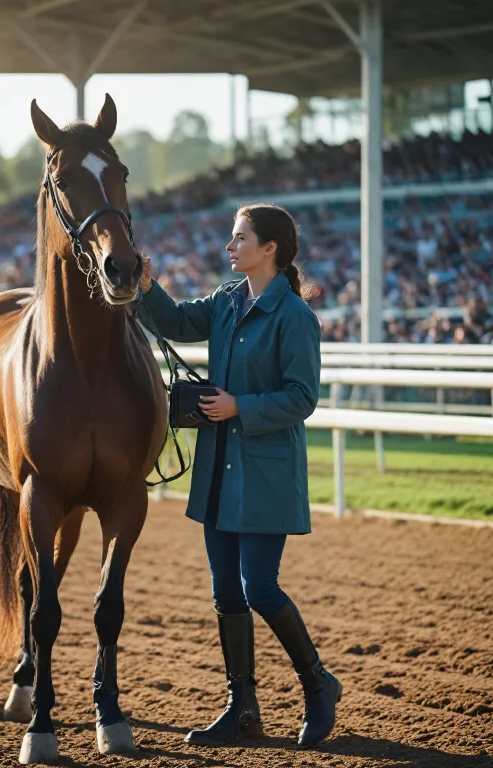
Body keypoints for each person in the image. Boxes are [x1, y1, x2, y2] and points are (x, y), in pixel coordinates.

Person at [136, 204, 342, 748]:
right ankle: (242, 707)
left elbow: (302, 397)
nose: (230, 248)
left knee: (260, 588)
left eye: (239, 238)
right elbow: (176, 322)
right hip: (219, 472)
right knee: (226, 590)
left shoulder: (295, 316)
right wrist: (146, 286)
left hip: (266, 474)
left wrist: (239, 407)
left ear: (269, 247)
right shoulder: (227, 301)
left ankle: (318, 685)